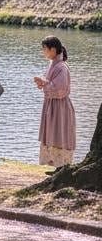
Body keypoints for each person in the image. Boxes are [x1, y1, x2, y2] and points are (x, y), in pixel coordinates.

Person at [34, 36, 76, 168]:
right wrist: (43, 82)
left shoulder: (62, 67)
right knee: (51, 133)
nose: (43, 52)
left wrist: (45, 84)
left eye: (45, 49)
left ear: (52, 49)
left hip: (60, 107)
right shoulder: (53, 64)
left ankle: (60, 164)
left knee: (59, 133)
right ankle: (50, 162)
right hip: (51, 106)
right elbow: (50, 84)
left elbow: (60, 89)